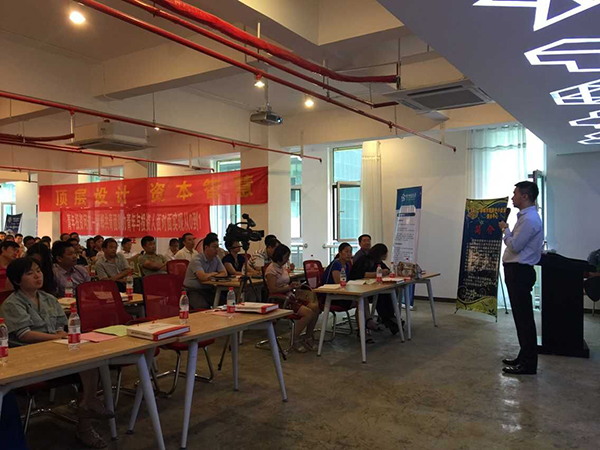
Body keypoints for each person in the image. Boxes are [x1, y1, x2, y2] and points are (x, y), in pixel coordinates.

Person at [0, 257, 114, 448]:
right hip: (29, 356)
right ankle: (89, 405)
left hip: (57, 350)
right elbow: (25, 334)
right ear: (18, 280)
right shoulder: (12, 304)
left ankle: (86, 415)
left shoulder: (49, 299)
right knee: (85, 362)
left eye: (38, 271)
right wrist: (58, 337)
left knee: (92, 358)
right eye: (30, 273)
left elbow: (62, 326)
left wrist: (63, 335)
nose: (37, 276)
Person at [498, 181, 543, 376]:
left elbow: (515, 246)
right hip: (517, 271)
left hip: (519, 272)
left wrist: (505, 229)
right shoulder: (526, 217)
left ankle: (528, 364)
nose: (512, 197)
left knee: (524, 319)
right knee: (521, 318)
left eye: (515, 193)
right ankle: (524, 356)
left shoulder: (529, 219)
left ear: (525, 196)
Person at [265, 244, 320, 353]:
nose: (287, 259)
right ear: (279, 256)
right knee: (308, 313)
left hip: (290, 296)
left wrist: (292, 286)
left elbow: (285, 283)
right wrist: (289, 287)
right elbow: (272, 290)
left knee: (316, 308)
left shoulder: (282, 268)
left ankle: (308, 337)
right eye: (286, 257)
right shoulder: (271, 270)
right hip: (281, 300)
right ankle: (294, 339)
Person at [350, 243, 400, 336]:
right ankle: (387, 319)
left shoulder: (378, 261)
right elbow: (359, 274)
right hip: (361, 287)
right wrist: (377, 273)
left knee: (388, 293)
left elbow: (386, 269)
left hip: (372, 286)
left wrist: (385, 271)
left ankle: (390, 317)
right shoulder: (364, 259)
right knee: (381, 295)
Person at [183, 234, 227, 309]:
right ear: (206, 247)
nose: (217, 249)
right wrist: (214, 273)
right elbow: (202, 277)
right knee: (203, 307)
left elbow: (224, 273)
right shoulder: (196, 260)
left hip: (208, 289)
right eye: (214, 247)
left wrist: (210, 276)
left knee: (224, 302)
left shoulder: (216, 258)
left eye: (217, 247)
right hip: (193, 290)